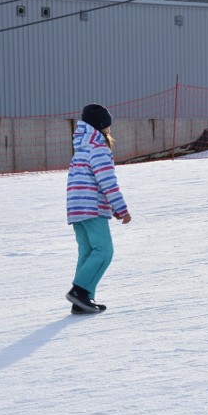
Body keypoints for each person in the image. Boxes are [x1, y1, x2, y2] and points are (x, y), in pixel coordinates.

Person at [66, 103, 131, 314]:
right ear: (103, 126)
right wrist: (120, 208)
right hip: (92, 207)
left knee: (87, 252)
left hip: (76, 208)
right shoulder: (98, 148)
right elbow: (107, 181)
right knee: (104, 251)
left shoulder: (81, 147)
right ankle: (79, 291)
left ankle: (81, 301)